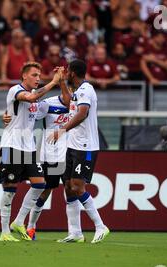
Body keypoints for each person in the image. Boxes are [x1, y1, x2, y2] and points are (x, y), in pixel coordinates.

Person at [0, 62, 63, 242]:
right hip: (11, 146)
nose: (38, 79)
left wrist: (6, 114)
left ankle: (18, 221)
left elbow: (20, 108)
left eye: (39, 75)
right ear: (24, 76)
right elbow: (29, 98)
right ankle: (4, 232)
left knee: (40, 184)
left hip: (29, 148)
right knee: (10, 190)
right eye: (34, 75)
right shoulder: (15, 90)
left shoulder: (34, 98)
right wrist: (53, 82)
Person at [47, 59, 109, 244]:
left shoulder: (86, 90)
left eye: (67, 72)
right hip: (73, 146)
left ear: (73, 73)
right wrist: (61, 82)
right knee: (67, 186)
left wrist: (62, 130)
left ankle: (100, 226)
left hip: (86, 147)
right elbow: (68, 103)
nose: (65, 73)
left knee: (77, 186)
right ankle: (75, 233)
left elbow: (82, 114)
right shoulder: (76, 91)